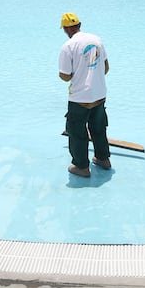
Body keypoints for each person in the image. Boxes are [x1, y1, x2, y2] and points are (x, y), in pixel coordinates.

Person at [58, 12, 111, 177]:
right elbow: (106, 68)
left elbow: (65, 76)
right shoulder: (97, 40)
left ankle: (81, 167)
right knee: (99, 128)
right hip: (100, 93)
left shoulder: (68, 46)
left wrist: (77, 73)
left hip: (80, 98)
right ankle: (103, 159)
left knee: (76, 131)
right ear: (79, 25)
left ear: (67, 29)